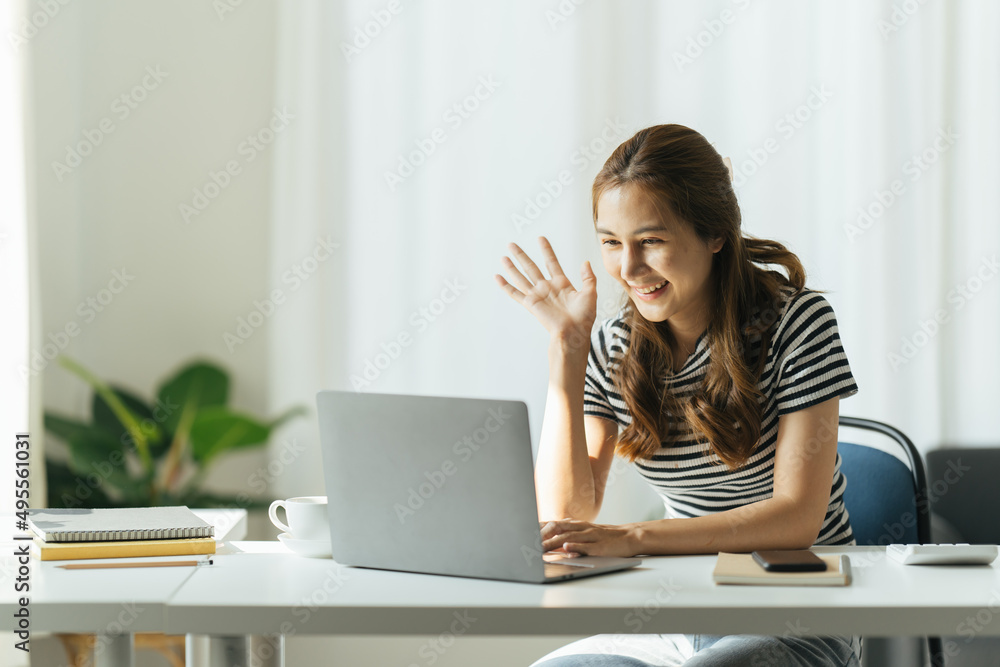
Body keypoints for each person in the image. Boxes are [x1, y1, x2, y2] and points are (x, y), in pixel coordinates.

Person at [494, 124, 861, 666]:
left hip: (798, 614)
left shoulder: (796, 323)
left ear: (714, 233)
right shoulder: (616, 344)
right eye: (612, 243)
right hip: (679, 616)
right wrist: (567, 349)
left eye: (652, 241)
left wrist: (635, 536)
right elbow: (566, 512)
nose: (628, 268)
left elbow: (795, 520)